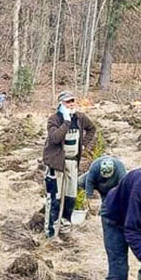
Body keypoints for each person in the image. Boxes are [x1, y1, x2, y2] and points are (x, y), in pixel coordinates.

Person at [43, 91, 98, 238]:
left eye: (72, 101)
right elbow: (55, 138)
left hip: (72, 163)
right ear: (60, 104)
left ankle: (65, 228)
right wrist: (66, 121)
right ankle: (50, 233)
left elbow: (92, 129)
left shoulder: (80, 118)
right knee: (55, 198)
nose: (71, 104)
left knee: (70, 197)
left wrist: (84, 146)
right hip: (56, 164)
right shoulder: (54, 119)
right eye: (68, 102)